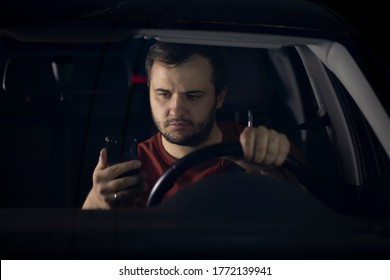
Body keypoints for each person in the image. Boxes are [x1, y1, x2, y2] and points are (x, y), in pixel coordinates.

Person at [82, 42, 294, 209]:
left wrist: (276, 179)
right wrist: (97, 202)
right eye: (164, 94)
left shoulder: (265, 149)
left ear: (219, 97)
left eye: (192, 96)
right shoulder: (131, 169)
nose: (176, 110)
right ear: (149, 93)